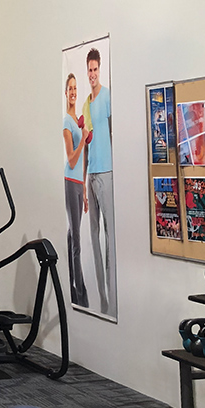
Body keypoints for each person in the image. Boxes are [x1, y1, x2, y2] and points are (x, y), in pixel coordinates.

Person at [82, 48, 117, 318]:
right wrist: (83, 182)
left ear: (100, 69)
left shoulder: (106, 98)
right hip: (91, 174)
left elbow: (114, 131)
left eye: (96, 69)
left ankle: (112, 299)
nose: (92, 74)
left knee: (109, 237)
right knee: (93, 238)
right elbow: (85, 146)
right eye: (89, 70)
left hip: (107, 172)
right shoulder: (86, 104)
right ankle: (101, 299)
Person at [62, 74, 88, 307]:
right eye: (70, 88)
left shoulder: (76, 118)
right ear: (65, 92)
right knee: (76, 238)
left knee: (73, 235)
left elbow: (82, 163)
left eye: (75, 88)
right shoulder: (67, 123)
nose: (73, 91)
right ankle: (80, 293)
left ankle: (75, 285)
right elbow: (71, 160)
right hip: (70, 181)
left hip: (79, 184)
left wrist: (86, 192)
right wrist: (83, 141)